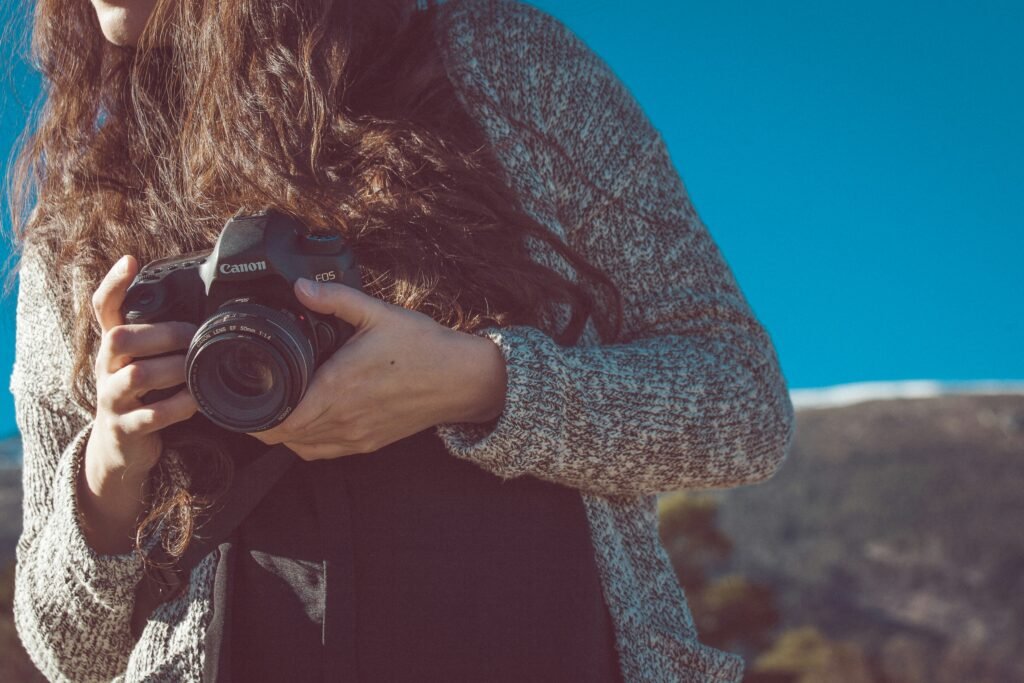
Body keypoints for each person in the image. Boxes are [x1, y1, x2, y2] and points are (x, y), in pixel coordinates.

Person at [8, 0, 795, 681]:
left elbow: (745, 402)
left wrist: (481, 383)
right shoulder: (78, 219)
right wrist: (108, 468)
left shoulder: (504, 70)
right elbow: (64, 650)